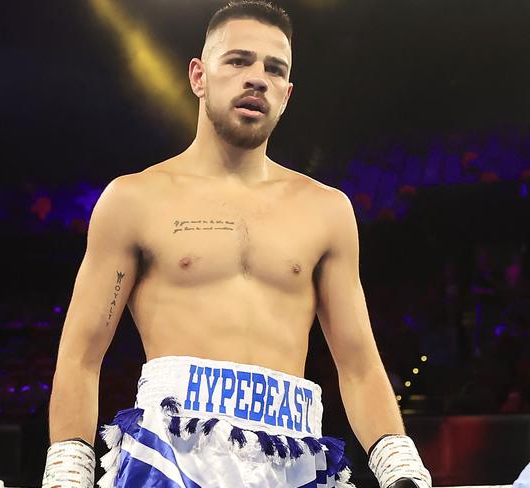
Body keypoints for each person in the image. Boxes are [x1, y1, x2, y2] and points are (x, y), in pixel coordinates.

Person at [41, 1, 432, 487]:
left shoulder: (326, 210)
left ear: (287, 94)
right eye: (238, 61)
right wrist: (67, 471)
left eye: (274, 69)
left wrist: (401, 469)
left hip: (293, 458)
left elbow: (358, 364)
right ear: (199, 76)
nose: (257, 79)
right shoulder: (134, 200)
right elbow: (81, 354)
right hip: (170, 457)